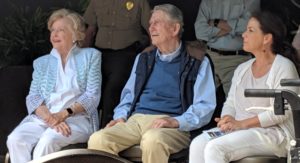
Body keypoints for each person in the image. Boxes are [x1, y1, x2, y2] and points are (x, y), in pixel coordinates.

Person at [88, 4, 216, 163]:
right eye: (150, 24)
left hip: (173, 123)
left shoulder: (197, 60)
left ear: (174, 29)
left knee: (152, 140)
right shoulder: (144, 57)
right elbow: (129, 95)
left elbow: (205, 105)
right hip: (136, 120)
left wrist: (177, 121)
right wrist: (120, 117)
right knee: (98, 139)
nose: (151, 27)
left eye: (157, 23)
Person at [189, 11, 300, 163]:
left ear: (267, 38)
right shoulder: (243, 68)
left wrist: (242, 124)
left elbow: (280, 113)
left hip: (273, 133)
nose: (243, 34)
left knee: (215, 147)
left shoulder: (283, 66)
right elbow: (231, 102)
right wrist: (227, 118)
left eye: (251, 30)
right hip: (240, 129)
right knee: (197, 144)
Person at [6, 9, 102, 163]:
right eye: (52, 30)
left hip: (77, 119)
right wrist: (50, 118)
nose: (54, 34)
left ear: (75, 35)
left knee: (47, 141)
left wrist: (63, 114)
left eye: (60, 30)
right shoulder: (42, 62)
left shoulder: (91, 56)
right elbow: (33, 96)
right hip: (45, 118)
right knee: (15, 139)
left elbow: (92, 95)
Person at [83, 0, 151, 127]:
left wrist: (153, 49)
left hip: (126, 53)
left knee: (113, 88)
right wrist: (82, 55)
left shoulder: (139, 2)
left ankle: (108, 128)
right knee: (93, 88)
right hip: (99, 53)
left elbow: (151, 27)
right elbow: (91, 29)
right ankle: (89, 128)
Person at [194, 0, 260, 97]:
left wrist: (215, 23)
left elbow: (249, 27)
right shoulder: (208, 1)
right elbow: (200, 32)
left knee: (236, 104)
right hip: (210, 56)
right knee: (199, 99)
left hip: (236, 59)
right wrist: (230, 28)